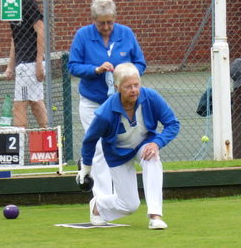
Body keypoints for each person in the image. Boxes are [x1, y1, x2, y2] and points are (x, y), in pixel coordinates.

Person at [76, 63, 180, 229]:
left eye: (136, 85)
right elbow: (90, 140)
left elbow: (173, 124)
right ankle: (98, 205)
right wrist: (86, 169)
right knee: (129, 206)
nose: (134, 90)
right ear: (117, 87)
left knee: (152, 157)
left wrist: (156, 143)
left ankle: (155, 216)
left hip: (143, 144)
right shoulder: (105, 113)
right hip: (117, 154)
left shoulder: (151, 97)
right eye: (128, 87)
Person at [68, 0, 146, 197]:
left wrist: (126, 74)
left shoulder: (126, 33)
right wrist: (95, 69)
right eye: (101, 22)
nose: (106, 26)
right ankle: (102, 201)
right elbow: (73, 66)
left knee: (121, 144)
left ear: (115, 18)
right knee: (100, 147)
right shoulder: (83, 35)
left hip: (122, 104)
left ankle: (121, 194)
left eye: (110, 22)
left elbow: (140, 63)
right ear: (93, 20)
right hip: (92, 102)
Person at [0, 0, 48, 129]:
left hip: (29, 63)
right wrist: (10, 67)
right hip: (23, 63)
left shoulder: (26, 1)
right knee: (36, 106)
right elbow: (16, 38)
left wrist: (38, 63)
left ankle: (18, 151)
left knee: (19, 107)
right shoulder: (12, 6)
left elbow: (41, 30)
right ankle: (53, 144)